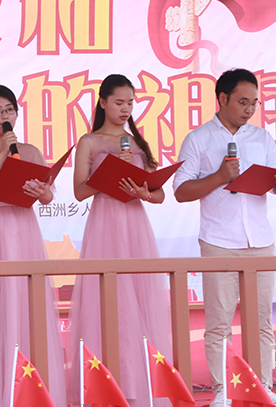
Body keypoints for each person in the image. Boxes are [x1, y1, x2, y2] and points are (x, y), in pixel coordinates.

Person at [173, 68, 276, 407]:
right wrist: (219, 176)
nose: (249, 109)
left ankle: (264, 387)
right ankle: (222, 390)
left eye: (254, 103)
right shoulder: (198, 139)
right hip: (218, 241)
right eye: (243, 102)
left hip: (260, 240)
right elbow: (181, 191)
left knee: (261, 321)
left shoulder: (262, 138)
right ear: (222, 98)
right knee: (219, 322)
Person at [0, 85, 67, 407]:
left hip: (24, 229)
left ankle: (33, 392)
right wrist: (3, 152)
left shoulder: (30, 151)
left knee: (26, 302)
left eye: (9, 110)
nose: (4, 116)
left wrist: (43, 193)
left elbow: (47, 196)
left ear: (16, 114)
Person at [67, 74, 172, 407]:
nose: (126, 109)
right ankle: (105, 387)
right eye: (118, 102)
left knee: (139, 298)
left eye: (130, 102)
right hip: (105, 225)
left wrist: (144, 193)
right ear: (103, 102)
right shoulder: (89, 141)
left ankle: (141, 387)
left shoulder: (137, 143)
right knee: (108, 301)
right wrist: (109, 173)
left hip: (134, 224)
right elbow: (79, 191)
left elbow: (159, 194)